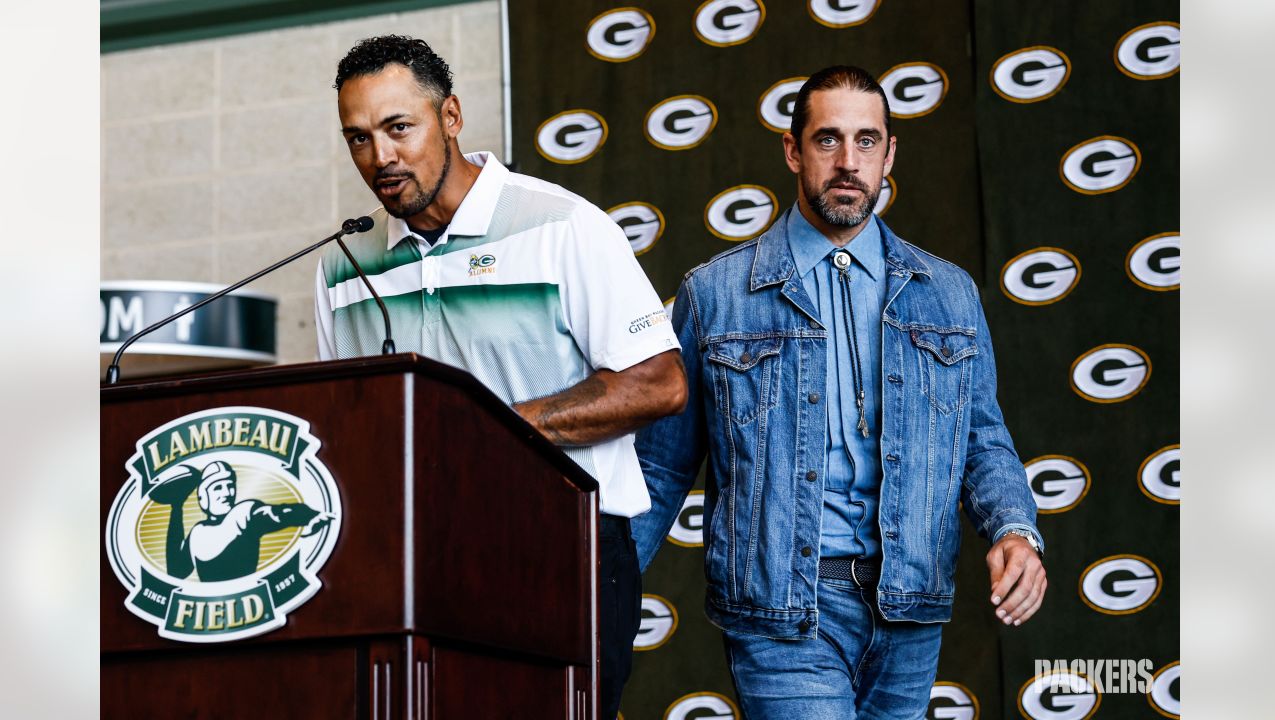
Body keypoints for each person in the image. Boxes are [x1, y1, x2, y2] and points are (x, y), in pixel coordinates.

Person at [632, 65, 1047, 718]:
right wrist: (602, 585)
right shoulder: (715, 296)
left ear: (889, 153)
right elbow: (660, 465)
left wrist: (1014, 528)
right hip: (783, 611)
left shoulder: (949, 293)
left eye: (866, 141)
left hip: (908, 607)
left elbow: (982, 438)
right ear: (793, 150)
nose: (848, 162)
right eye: (827, 140)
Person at [314, 35, 686, 718]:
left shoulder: (562, 226)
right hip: (415, 560)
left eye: (400, 128)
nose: (381, 158)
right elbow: (353, 422)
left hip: (562, 546)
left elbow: (658, 383)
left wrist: (485, 432)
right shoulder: (341, 265)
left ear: (451, 116)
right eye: (359, 138)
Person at [155, 461, 332, 582]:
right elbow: (176, 571)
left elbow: (278, 513)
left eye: (230, 486)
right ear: (203, 497)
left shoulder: (243, 513)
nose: (227, 493)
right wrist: (176, 507)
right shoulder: (197, 533)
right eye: (217, 487)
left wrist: (309, 515)